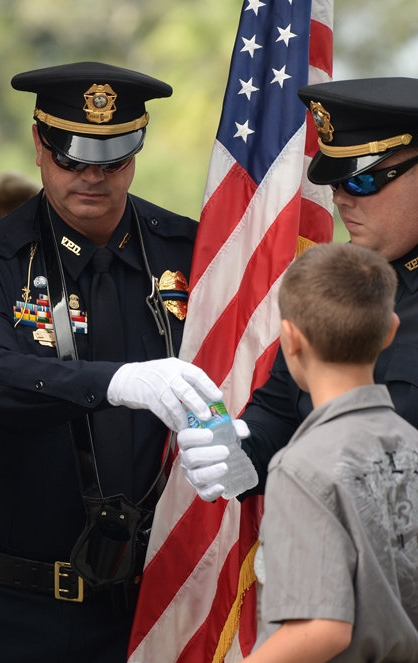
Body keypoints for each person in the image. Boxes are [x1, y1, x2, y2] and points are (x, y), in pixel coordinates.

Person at [0, 62, 222, 663]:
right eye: (72, 158)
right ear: (39, 145)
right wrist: (114, 382)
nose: (92, 177)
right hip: (8, 607)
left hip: (145, 608)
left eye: (112, 161)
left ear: (137, 150)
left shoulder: (188, 254)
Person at [178, 78, 418, 502]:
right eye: (335, 181)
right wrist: (239, 449)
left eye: (361, 181)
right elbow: (282, 409)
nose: (341, 199)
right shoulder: (337, 280)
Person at [241, 242, 418, 663]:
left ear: (291, 339)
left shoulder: (301, 467)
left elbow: (322, 630)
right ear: (390, 330)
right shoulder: (413, 444)